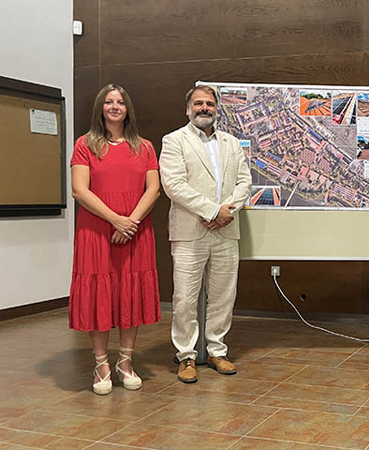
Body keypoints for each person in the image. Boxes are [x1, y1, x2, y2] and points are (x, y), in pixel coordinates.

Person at [69, 84, 161, 395]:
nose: (114, 106)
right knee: (99, 296)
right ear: (100, 108)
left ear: (128, 109)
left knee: (129, 294)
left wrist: (130, 222)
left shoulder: (145, 147)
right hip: (97, 232)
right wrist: (116, 220)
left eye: (120, 101)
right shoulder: (85, 144)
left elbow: (154, 189)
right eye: (108, 101)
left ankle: (125, 362)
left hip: (134, 232)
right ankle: (101, 364)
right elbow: (80, 190)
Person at [160, 85, 252, 383]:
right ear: (188, 109)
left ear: (216, 108)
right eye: (198, 103)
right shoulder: (174, 141)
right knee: (185, 298)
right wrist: (213, 211)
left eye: (209, 104)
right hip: (190, 232)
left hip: (226, 231)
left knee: (224, 296)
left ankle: (217, 351)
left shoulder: (232, 143)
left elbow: (244, 182)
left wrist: (228, 211)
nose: (204, 108)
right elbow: (173, 185)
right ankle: (185, 355)